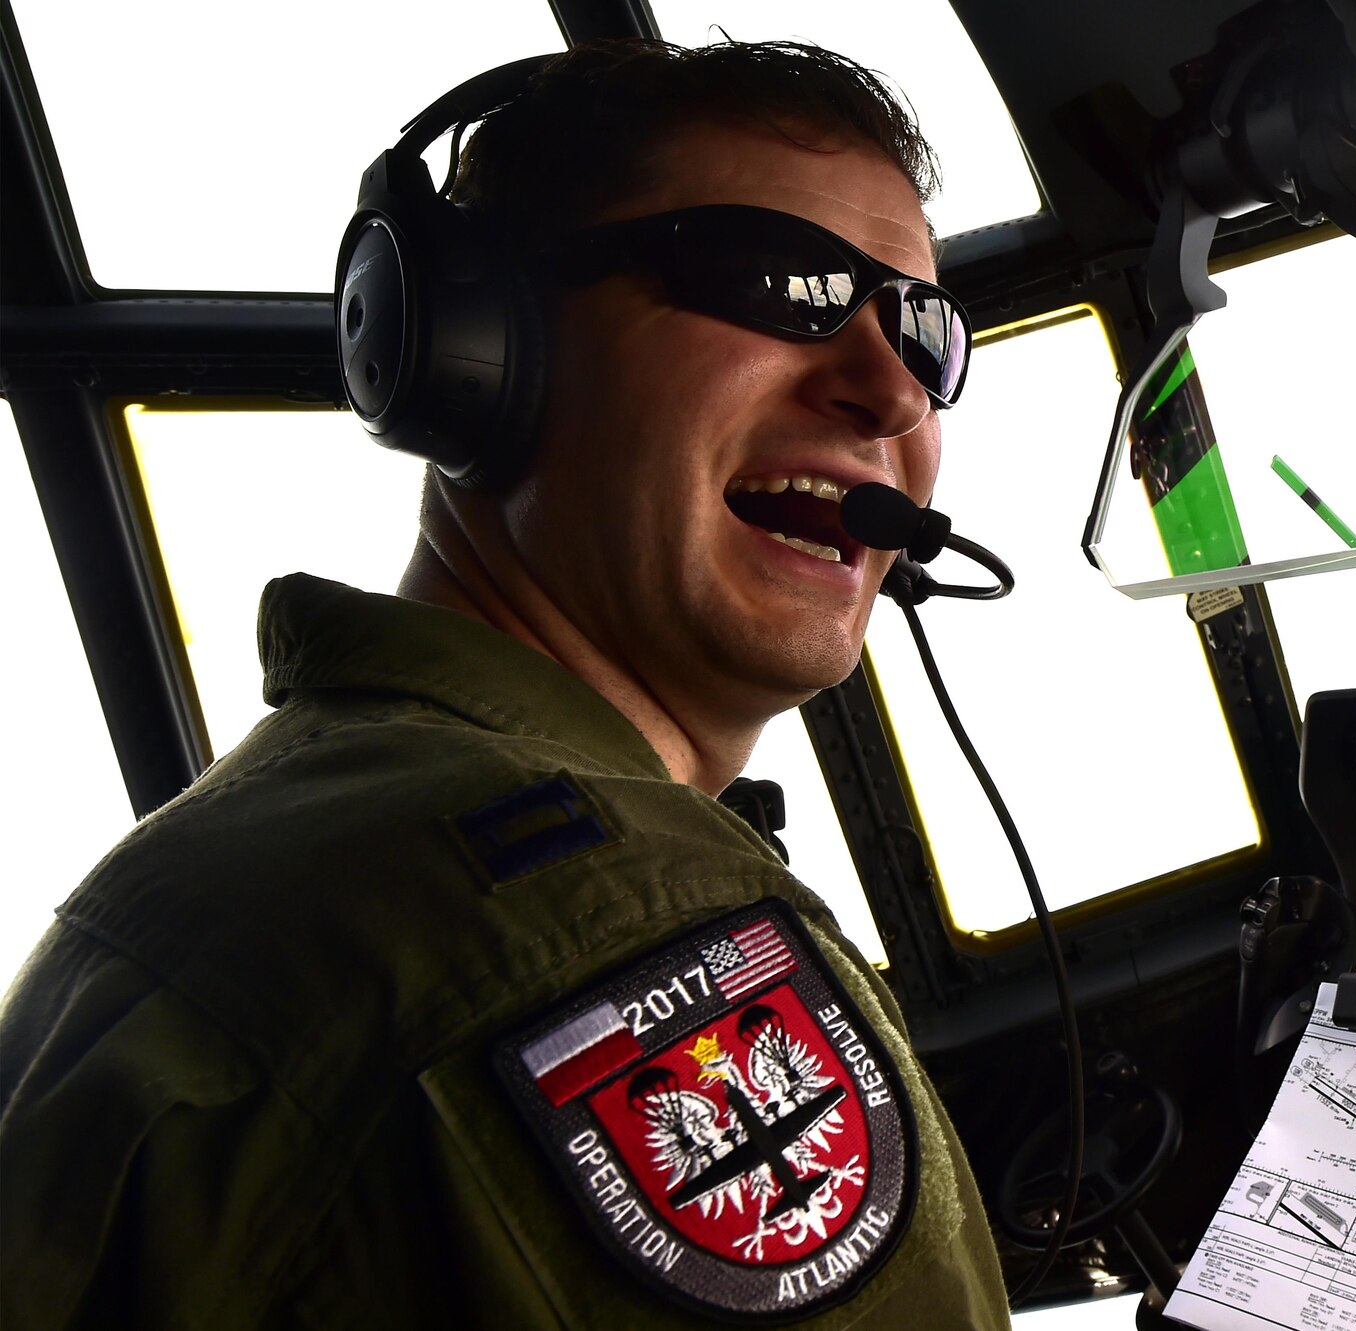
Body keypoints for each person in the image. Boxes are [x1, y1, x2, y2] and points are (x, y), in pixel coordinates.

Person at [0, 38, 1008, 1328]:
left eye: (924, 331)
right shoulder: (601, 933)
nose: (885, 392)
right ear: (478, 352)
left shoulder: (294, 838)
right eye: (781, 281)